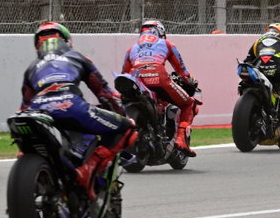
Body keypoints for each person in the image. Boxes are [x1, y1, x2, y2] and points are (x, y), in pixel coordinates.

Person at [20, 22, 134, 194]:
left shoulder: (32, 68)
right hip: (73, 107)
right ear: (67, 41)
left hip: (39, 111)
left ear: (38, 45)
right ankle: (88, 169)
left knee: (25, 145)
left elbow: (25, 106)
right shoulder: (78, 57)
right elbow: (104, 93)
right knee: (128, 128)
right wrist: (121, 114)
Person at [119, 18, 199, 155]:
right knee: (189, 104)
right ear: (160, 32)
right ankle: (181, 139)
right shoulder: (166, 44)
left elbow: (124, 73)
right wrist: (189, 82)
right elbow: (182, 72)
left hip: (136, 80)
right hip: (158, 77)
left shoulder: (131, 49)